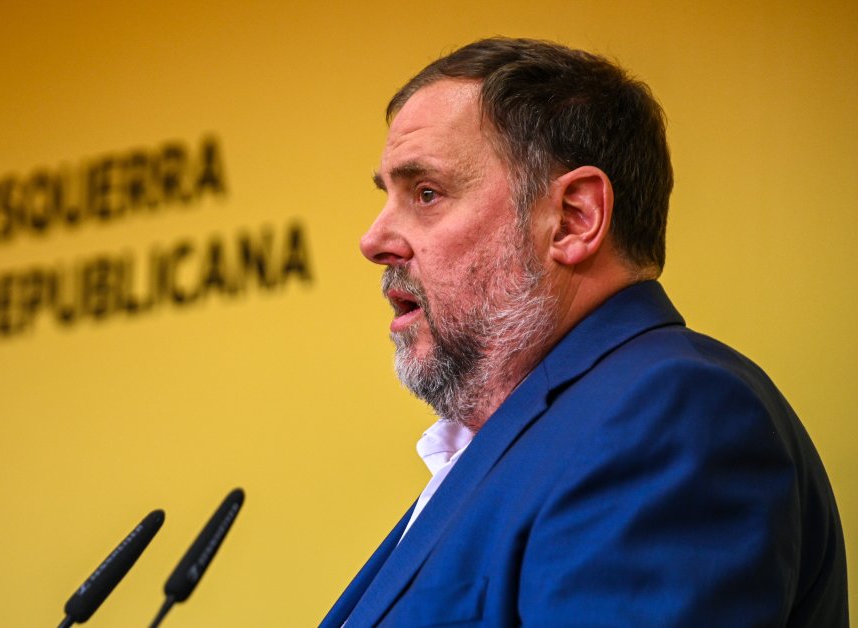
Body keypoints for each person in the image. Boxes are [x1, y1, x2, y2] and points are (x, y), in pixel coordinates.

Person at [322, 38, 846, 627]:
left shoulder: (668, 417)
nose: (374, 240)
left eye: (426, 193)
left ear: (573, 219)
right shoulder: (524, 441)